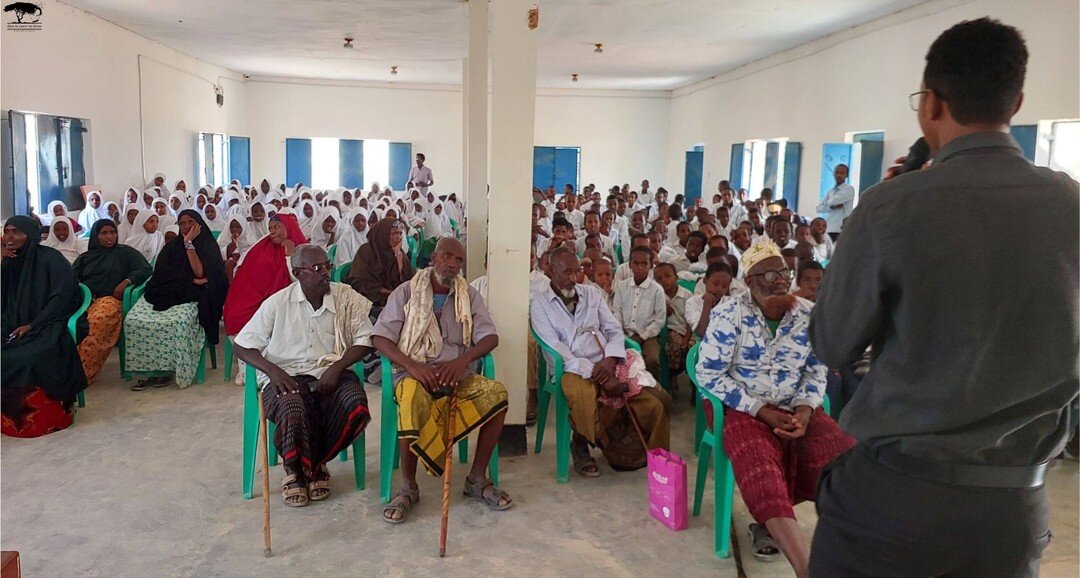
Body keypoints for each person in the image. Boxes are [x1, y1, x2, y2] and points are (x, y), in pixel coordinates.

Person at [809, 18, 1079, 577]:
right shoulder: (1073, 206)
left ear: (930, 104)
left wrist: (889, 205)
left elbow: (833, 343)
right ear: (1017, 101)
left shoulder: (892, 208)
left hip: (895, 504)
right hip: (1014, 508)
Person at [695, 241, 853, 576]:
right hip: (740, 406)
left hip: (796, 405)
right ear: (750, 282)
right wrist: (759, 410)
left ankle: (852, 552)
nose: (781, 280)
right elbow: (707, 373)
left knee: (843, 459)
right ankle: (807, 569)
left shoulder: (807, 315)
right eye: (769, 274)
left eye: (784, 272)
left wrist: (807, 409)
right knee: (759, 466)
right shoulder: (729, 314)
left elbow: (815, 369)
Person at [372, 238, 512, 523]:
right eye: (447, 256)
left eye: (459, 260)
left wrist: (462, 362)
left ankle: (475, 480)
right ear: (433, 258)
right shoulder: (406, 292)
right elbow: (380, 338)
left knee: (497, 393)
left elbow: (490, 337)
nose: (453, 264)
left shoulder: (469, 295)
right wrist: (413, 366)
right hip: (414, 373)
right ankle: (408, 487)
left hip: (456, 374)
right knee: (410, 399)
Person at [234, 245, 373, 507]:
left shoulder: (344, 298)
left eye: (327, 266)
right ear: (298, 273)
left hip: (329, 372)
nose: (326, 274)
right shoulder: (277, 303)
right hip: (287, 376)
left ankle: (315, 463)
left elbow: (367, 339)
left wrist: (337, 368)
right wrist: (273, 372)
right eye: (317, 268)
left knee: (355, 401)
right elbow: (241, 344)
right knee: (292, 407)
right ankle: (297, 472)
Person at [531, 247, 670, 476]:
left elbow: (613, 328)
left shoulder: (591, 294)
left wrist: (610, 359)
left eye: (577, 272)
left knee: (656, 401)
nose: (573, 279)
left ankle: (645, 454)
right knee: (583, 395)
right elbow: (557, 350)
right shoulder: (540, 304)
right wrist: (598, 373)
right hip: (571, 368)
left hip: (607, 360)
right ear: (550, 270)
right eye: (566, 272)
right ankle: (580, 443)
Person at [1, 216, 89, 437]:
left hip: (47, 324)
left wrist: (33, 325)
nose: (9, 237)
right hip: (11, 323)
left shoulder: (51, 259)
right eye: (7, 231)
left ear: (29, 234)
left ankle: (38, 418)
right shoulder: (9, 261)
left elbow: (61, 298)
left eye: (16, 232)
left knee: (28, 357)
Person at [124, 210, 228, 390]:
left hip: (192, 295)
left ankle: (174, 368)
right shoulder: (172, 246)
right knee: (134, 320)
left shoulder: (207, 245)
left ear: (199, 224)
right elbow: (162, 274)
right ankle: (150, 370)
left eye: (191, 222)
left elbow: (200, 273)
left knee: (177, 322)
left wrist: (188, 244)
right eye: (182, 223)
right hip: (166, 292)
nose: (186, 226)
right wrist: (187, 279)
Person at [222, 214, 307, 383]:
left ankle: (273, 367)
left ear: (288, 227)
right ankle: (248, 368)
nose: (273, 232)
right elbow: (247, 277)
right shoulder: (262, 246)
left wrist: (289, 256)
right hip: (259, 297)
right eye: (270, 228)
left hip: (287, 301)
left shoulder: (302, 248)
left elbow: (301, 283)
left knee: (275, 317)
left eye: (277, 227)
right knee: (234, 314)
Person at [72, 220, 153, 385]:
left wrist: (127, 281)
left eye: (112, 232)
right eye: (104, 233)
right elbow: (72, 280)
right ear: (96, 235)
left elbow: (145, 269)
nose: (109, 237)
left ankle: (81, 375)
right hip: (86, 300)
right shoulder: (85, 258)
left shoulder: (125, 252)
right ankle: (64, 370)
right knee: (67, 324)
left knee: (94, 324)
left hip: (109, 300)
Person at [612, 246, 666, 383]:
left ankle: (653, 389)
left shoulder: (656, 290)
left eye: (644, 264)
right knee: (614, 358)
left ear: (650, 266)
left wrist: (642, 337)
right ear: (630, 265)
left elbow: (659, 320)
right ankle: (624, 394)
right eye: (636, 263)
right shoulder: (622, 287)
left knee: (652, 360)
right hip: (624, 333)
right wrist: (621, 332)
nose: (640, 267)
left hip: (648, 336)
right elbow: (616, 311)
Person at [347, 218, 415, 311]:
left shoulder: (398, 252)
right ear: (383, 234)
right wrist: (389, 292)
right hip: (371, 300)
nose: (398, 237)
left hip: (395, 298)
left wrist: (398, 256)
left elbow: (408, 280)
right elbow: (360, 283)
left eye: (400, 233)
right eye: (394, 233)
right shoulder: (366, 251)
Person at [653, 262, 693, 379]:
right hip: (668, 332)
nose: (664, 280)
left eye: (667, 276)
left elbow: (691, 320)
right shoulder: (656, 296)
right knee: (673, 348)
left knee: (694, 350)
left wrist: (686, 339)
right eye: (659, 279)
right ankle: (672, 377)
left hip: (687, 331)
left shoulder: (686, 295)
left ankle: (692, 385)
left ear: (676, 278)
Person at [685, 262, 733, 338]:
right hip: (701, 345)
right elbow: (701, 333)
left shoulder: (731, 303)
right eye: (716, 284)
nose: (719, 289)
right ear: (705, 281)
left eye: (724, 286)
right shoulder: (692, 302)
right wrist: (707, 304)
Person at [815, 164, 855, 241]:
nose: (839, 175)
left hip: (841, 229)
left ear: (846, 175)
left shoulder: (849, 189)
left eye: (842, 173)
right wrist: (830, 207)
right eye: (837, 172)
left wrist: (827, 204)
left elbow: (833, 202)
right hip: (828, 228)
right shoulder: (831, 191)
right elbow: (818, 209)